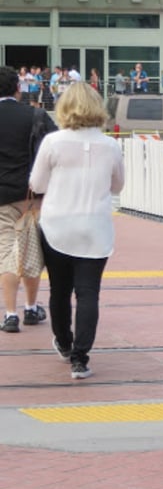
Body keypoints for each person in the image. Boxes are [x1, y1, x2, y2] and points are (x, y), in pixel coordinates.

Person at [29, 82, 124, 379]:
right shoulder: (111, 145)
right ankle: (81, 358)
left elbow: (37, 184)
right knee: (88, 293)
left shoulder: (53, 142)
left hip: (57, 226)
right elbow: (118, 185)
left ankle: (64, 342)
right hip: (95, 227)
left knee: (59, 289)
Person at [0, 65, 57, 333]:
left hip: (1, 198)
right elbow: (55, 147)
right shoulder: (36, 115)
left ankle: (10, 314)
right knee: (31, 250)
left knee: (6, 253)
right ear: (18, 88)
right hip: (31, 196)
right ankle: (31, 308)